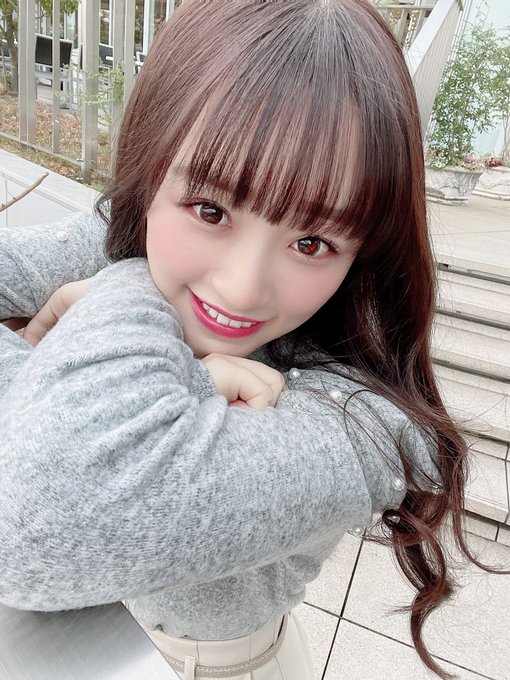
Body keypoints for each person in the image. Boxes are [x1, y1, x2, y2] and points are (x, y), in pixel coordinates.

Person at [0, 1, 493, 678]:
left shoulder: (363, 424)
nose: (239, 289)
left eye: (312, 242)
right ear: (151, 173)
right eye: (211, 210)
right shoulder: (125, 233)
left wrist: (121, 291)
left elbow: (30, 529)